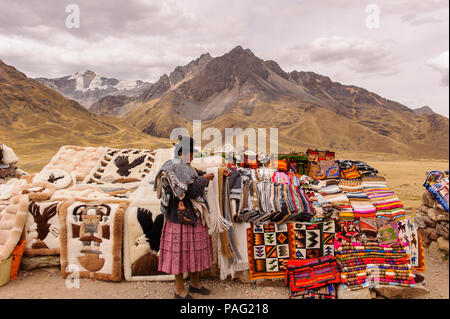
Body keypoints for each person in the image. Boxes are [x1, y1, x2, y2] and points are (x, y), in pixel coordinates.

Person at [154, 136, 231, 299]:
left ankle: (195, 284)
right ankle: (179, 290)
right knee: (179, 253)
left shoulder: (184, 166)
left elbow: (196, 175)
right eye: (190, 153)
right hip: (180, 218)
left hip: (192, 216)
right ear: (181, 152)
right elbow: (188, 191)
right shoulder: (176, 167)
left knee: (195, 251)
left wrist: (217, 172)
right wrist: (203, 180)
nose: (193, 157)